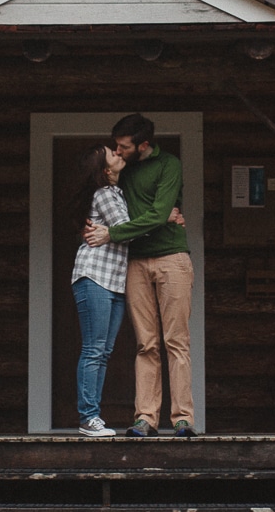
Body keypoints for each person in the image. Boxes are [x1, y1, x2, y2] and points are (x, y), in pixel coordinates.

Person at [84, 113, 195, 437]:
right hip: (134, 262)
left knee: (177, 341)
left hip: (172, 258)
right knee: (145, 343)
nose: (117, 152)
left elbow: (160, 213)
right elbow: (145, 213)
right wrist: (155, 218)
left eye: (123, 147)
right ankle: (145, 417)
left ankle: (182, 418)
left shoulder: (168, 165)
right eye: (115, 147)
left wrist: (114, 233)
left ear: (143, 145)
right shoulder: (120, 172)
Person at [67, 142, 131, 437]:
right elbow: (126, 229)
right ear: (106, 170)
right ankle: (88, 417)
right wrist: (165, 218)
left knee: (103, 351)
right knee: (94, 349)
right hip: (95, 277)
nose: (119, 154)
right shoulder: (105, 194)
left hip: (112, 281)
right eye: (113, 154)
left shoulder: (113, 193)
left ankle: (92, 415)